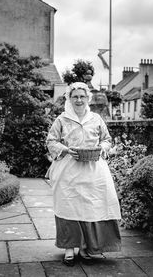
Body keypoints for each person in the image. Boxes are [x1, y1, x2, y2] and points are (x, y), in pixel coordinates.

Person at [46, 82, 121, 266]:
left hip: (93, 170)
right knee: (68, 206)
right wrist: (64, 149)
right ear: (69, 99)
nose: (79, 100)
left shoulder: (96, 119)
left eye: (82, 96)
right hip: (68, 170)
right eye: (75, 96)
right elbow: (51, 141)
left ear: (88, 98)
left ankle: (87, 247)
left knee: (91, 206)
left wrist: (102, 148)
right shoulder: (62, 120)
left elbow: (107, 140)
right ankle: (70, 248)